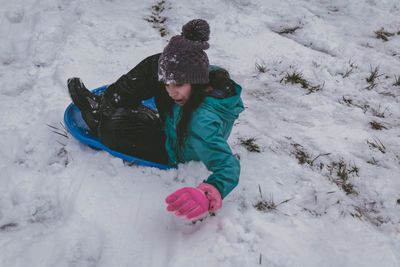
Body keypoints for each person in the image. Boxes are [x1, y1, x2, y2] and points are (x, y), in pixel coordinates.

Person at [67, 19, 244, 220]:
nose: (170, 91)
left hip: (175, 145)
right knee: (157, 64)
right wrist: (173, 83)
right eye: (166, 84)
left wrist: (209, 193)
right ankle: (108, 102)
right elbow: (172, 77)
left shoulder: (201, 124)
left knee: (110, 130)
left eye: (177, 84)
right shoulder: (203, 78)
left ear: (197, 80)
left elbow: (228, 165)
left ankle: (103, 113)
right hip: (179, 115)